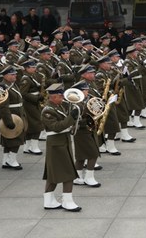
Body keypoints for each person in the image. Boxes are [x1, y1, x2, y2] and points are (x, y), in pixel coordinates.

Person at [41, 83, 81, 211]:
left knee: (53, 174)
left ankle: (48, 201)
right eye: (60, 96)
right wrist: (71, 117)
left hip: (62, 142)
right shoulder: (47, 111)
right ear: (52, 97)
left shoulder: (59, 106)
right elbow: (56, 127)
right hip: (56, 144)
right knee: (68, 173)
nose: (63, 98)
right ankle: (67, 201)